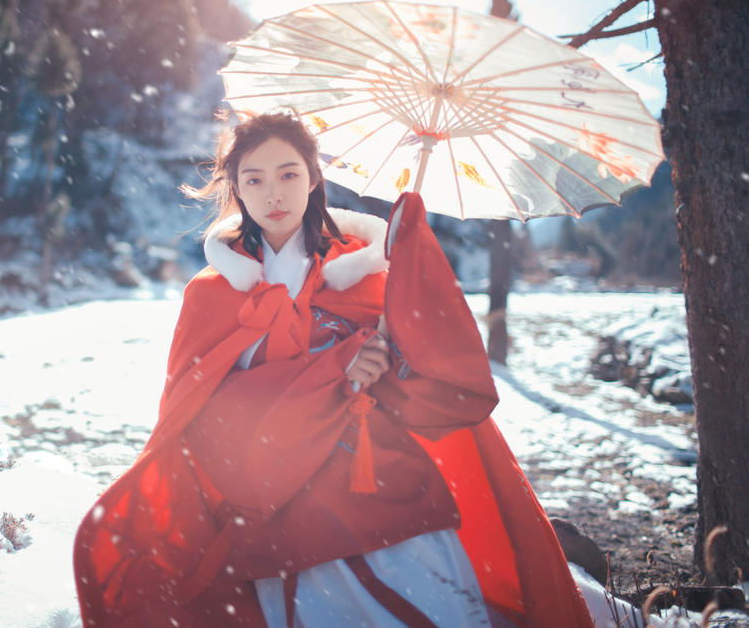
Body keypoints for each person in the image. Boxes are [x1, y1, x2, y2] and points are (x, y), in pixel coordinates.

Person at [73, 111, 593, 627]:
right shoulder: (212, 294)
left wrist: (394, 325)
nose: (273, 194)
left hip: (375, 479)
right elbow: (200, 415)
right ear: (236, 189)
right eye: (254, 180)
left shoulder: (364, 269)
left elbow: (432, 367)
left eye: (289, 174)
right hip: (270, 494)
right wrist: (335, 371)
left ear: (314, 178)